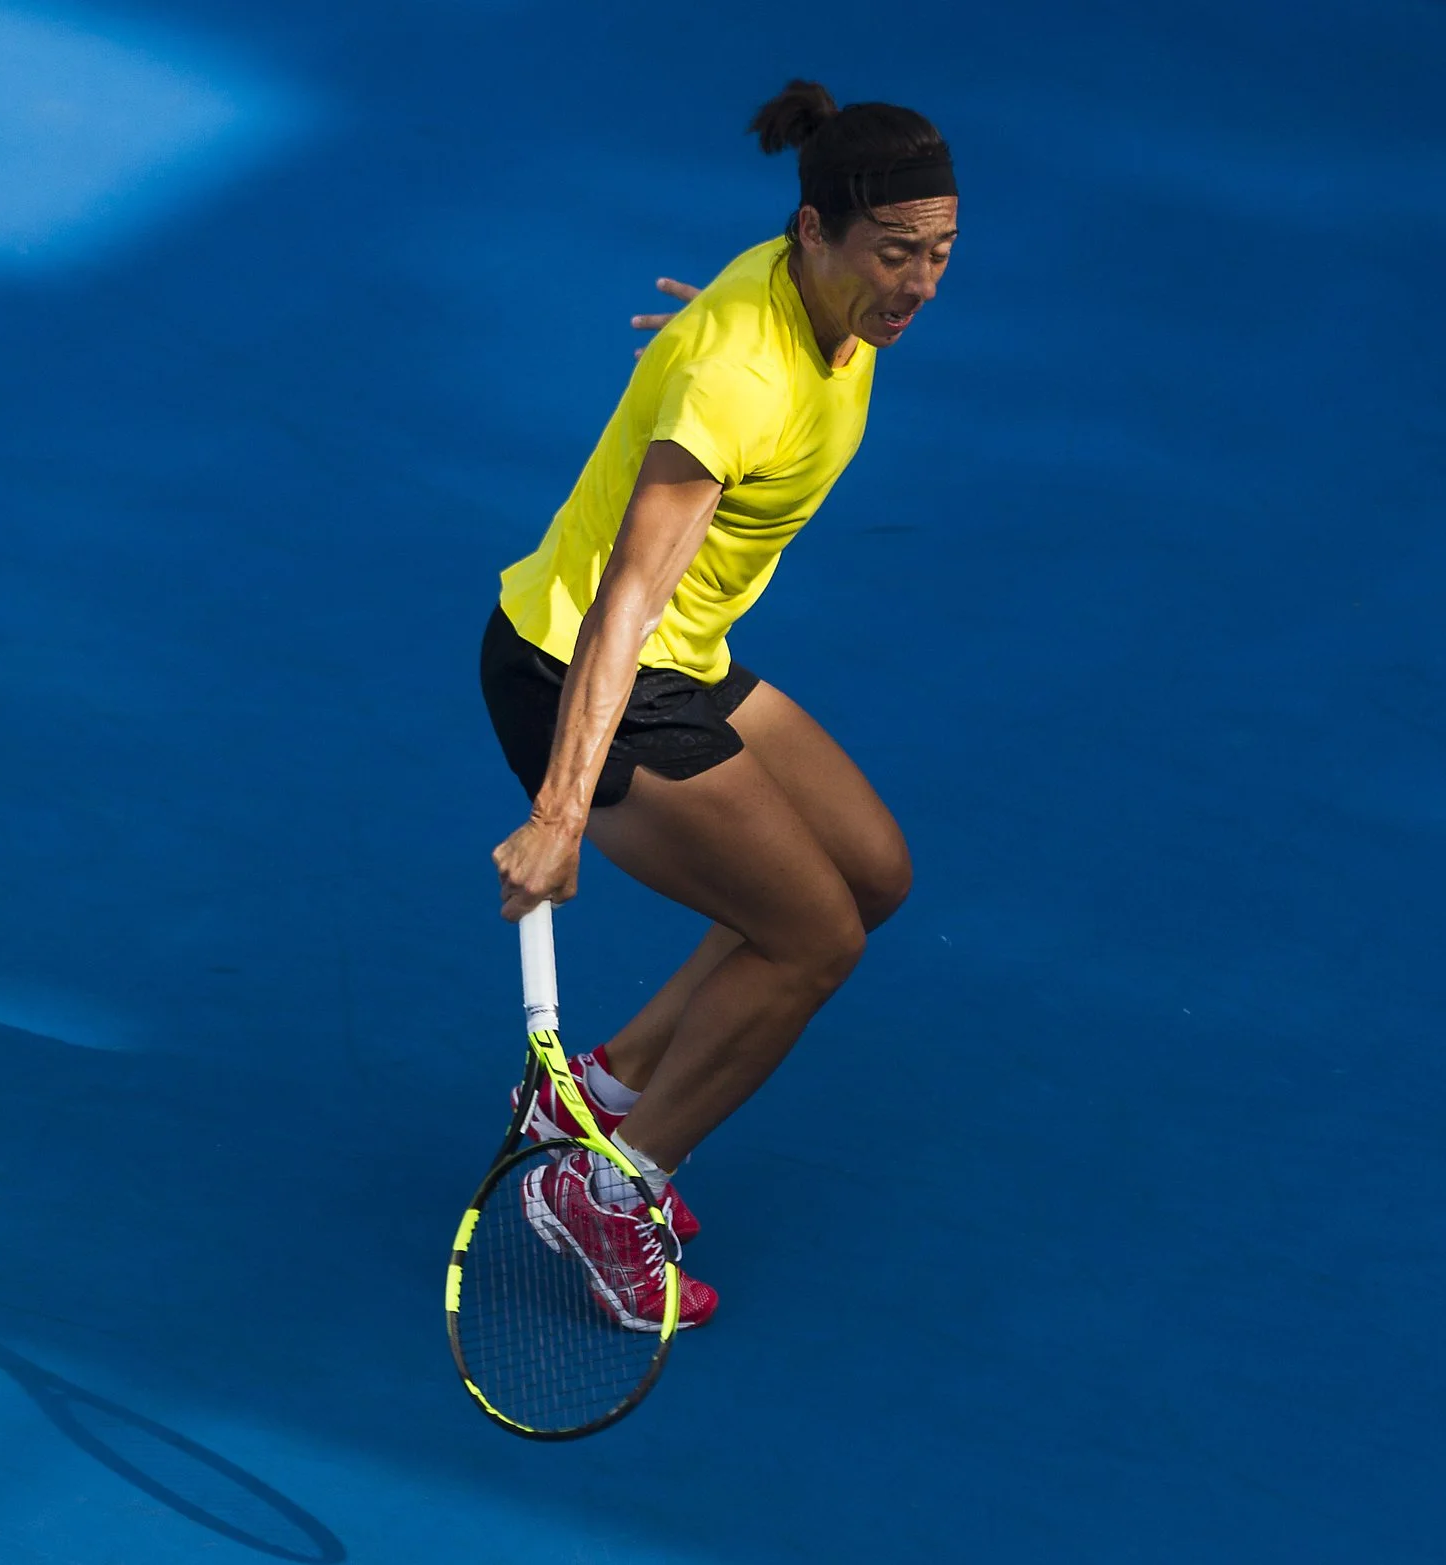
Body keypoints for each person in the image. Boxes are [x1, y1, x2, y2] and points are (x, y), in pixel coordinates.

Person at [483, 79, 958, 1329]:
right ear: (817, 235)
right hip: (583, 671)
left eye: (940, 252)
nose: (917, 282)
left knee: (871, 873)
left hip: (681, 655)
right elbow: (624, 600)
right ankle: (607, 1185)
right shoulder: (740, 377)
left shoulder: (812, 300)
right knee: (812, 939)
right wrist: (559, 810)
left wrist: (716, 339)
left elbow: (757, 341)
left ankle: (603, 1085)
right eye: (894, 253)